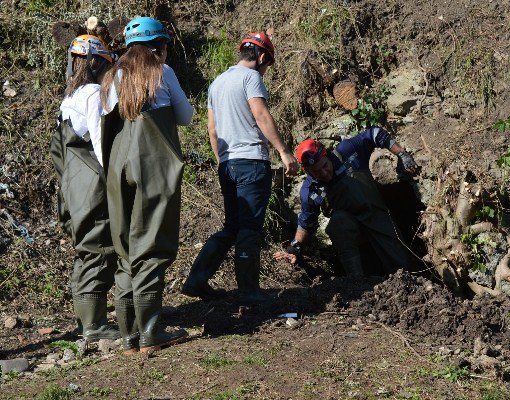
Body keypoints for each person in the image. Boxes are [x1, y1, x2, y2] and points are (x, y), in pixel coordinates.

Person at [182, 31, 299, 302]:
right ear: (260, 57)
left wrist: (222, 159)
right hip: (251, 162)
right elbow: (260, 114)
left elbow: (212, 129)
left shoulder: (217, 82)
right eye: (267, 64)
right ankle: (249, 291)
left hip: (228, 164)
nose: (266, 70)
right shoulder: (251, 78)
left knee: (232, 227)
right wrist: (283, 151)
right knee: (249, 228)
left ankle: (196, 281)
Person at [100, 16, 193, 354]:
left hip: (117, 161)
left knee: (125, 245)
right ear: (159, 46)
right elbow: (185, 117)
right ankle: (152, 331)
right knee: (151, 242)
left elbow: (102, 122)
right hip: (154, 160)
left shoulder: (113, 74)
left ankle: (129, 336)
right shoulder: (162, 73)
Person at [49, 33, 120, 341]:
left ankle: (86, 322)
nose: (108, 71)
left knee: (86, 251)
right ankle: (94, 326)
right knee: (99, 249)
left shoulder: (68, 100)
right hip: (92, 183)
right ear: (94, 63)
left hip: (72, 185)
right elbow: (100, 141)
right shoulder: (92, 93)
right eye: (105, 63)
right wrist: (116, 179)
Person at [273, 127, 418, 276]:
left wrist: (401, 154)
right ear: (307, 171)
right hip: (351, 228)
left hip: (376, 215)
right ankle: (356, 282)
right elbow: (306, 222)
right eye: (316, 172)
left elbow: (375, 133)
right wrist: (294, 247)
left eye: (325, 166)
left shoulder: (347, 152)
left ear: (326, 155)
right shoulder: (310, 191)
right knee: (338, 222)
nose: (324, 173)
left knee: (403, 264)